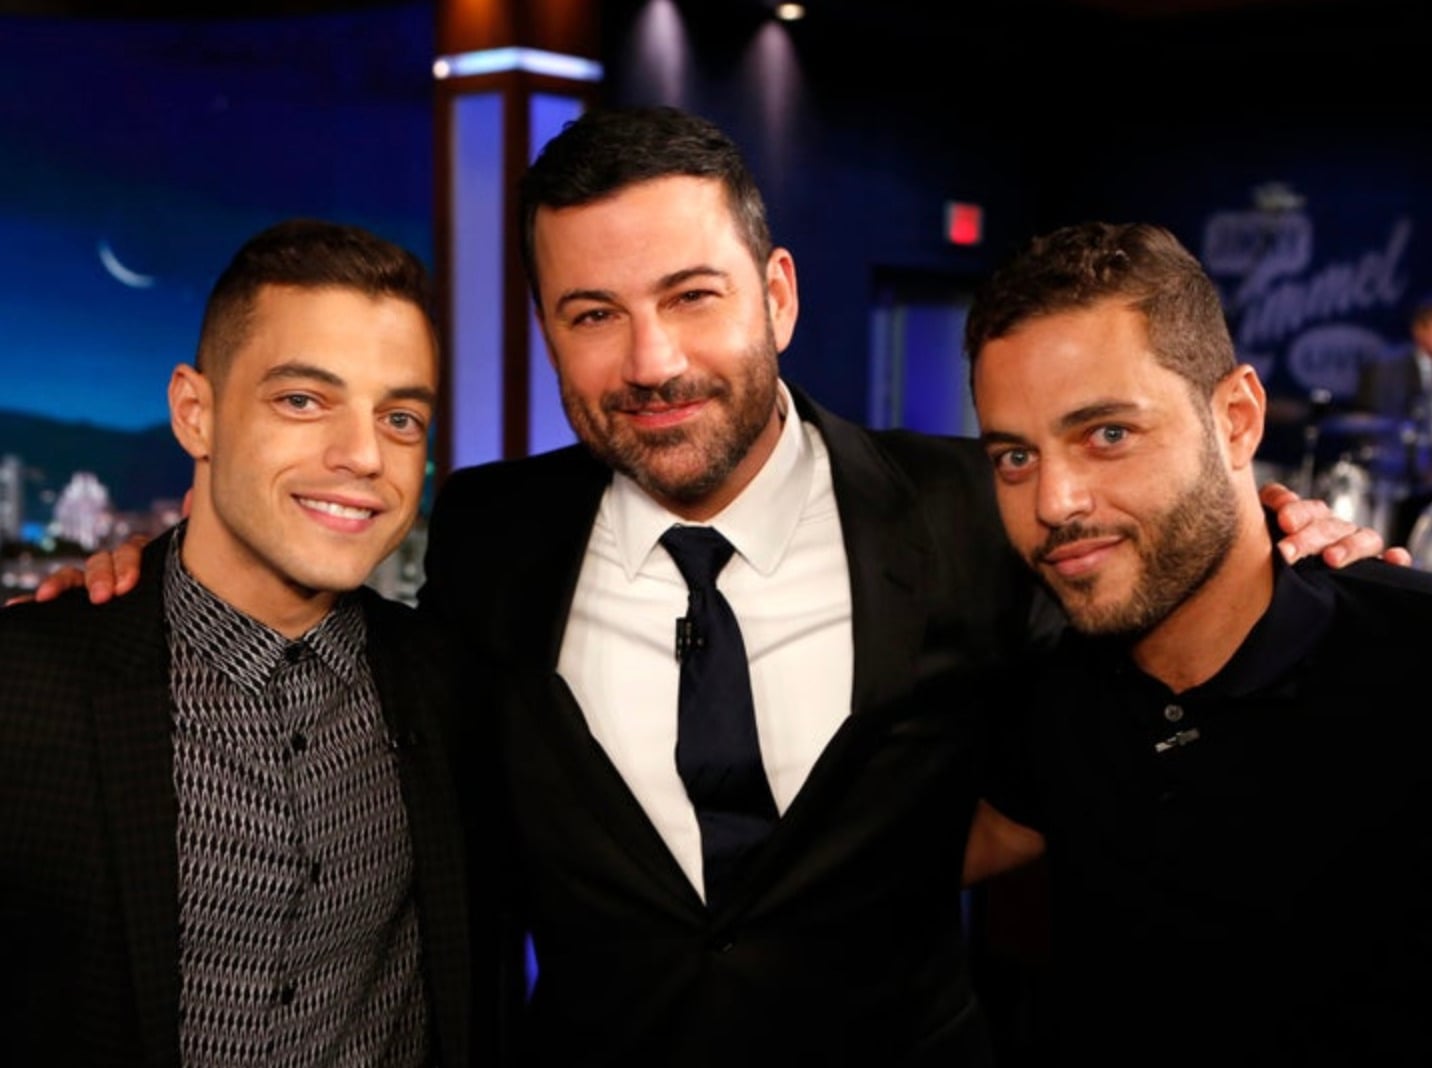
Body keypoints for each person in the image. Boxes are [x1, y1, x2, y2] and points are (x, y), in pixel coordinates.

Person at [35, 109, 1397, 1066]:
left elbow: (1133, 641)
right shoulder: (496, 537)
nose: (651, 360)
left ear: (779, 295)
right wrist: (137, 580)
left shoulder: (971, 507)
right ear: (550, 338)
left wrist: (1293, 535)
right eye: (593, 316)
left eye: (693, 296)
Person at [0, 219, 473, 1066]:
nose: (364, 455)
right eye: (302, 400)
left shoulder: (449, 684)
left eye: (400, 417)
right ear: (195, 413)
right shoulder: (30, 686)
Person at [961, 220, 1432, 1065]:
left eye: (1107, 433)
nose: (1055, 501)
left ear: (1238, 420)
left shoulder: (1407, 660)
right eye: (1014, 457)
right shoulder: (1054, 696)